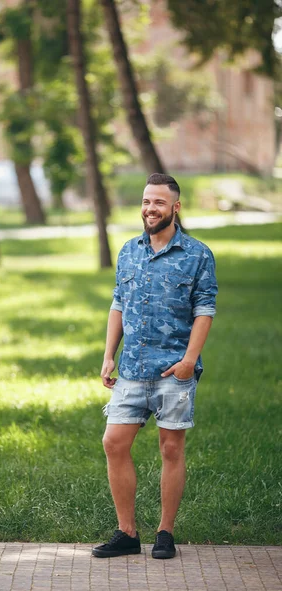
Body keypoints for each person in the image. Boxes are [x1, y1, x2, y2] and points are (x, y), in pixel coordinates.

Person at [92, 173, 218, 559]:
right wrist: (109, 353)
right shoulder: (129, 250)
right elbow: (118, 303)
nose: (150, 209)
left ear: (175, 207)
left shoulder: (198, 255)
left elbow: (205, 309)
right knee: (113, 443)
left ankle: (165, 533)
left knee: (170, 449)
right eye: (147, 201)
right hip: (131, 368)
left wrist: (189, 362)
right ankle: (127, 533)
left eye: (159, 202)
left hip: (173, 371)